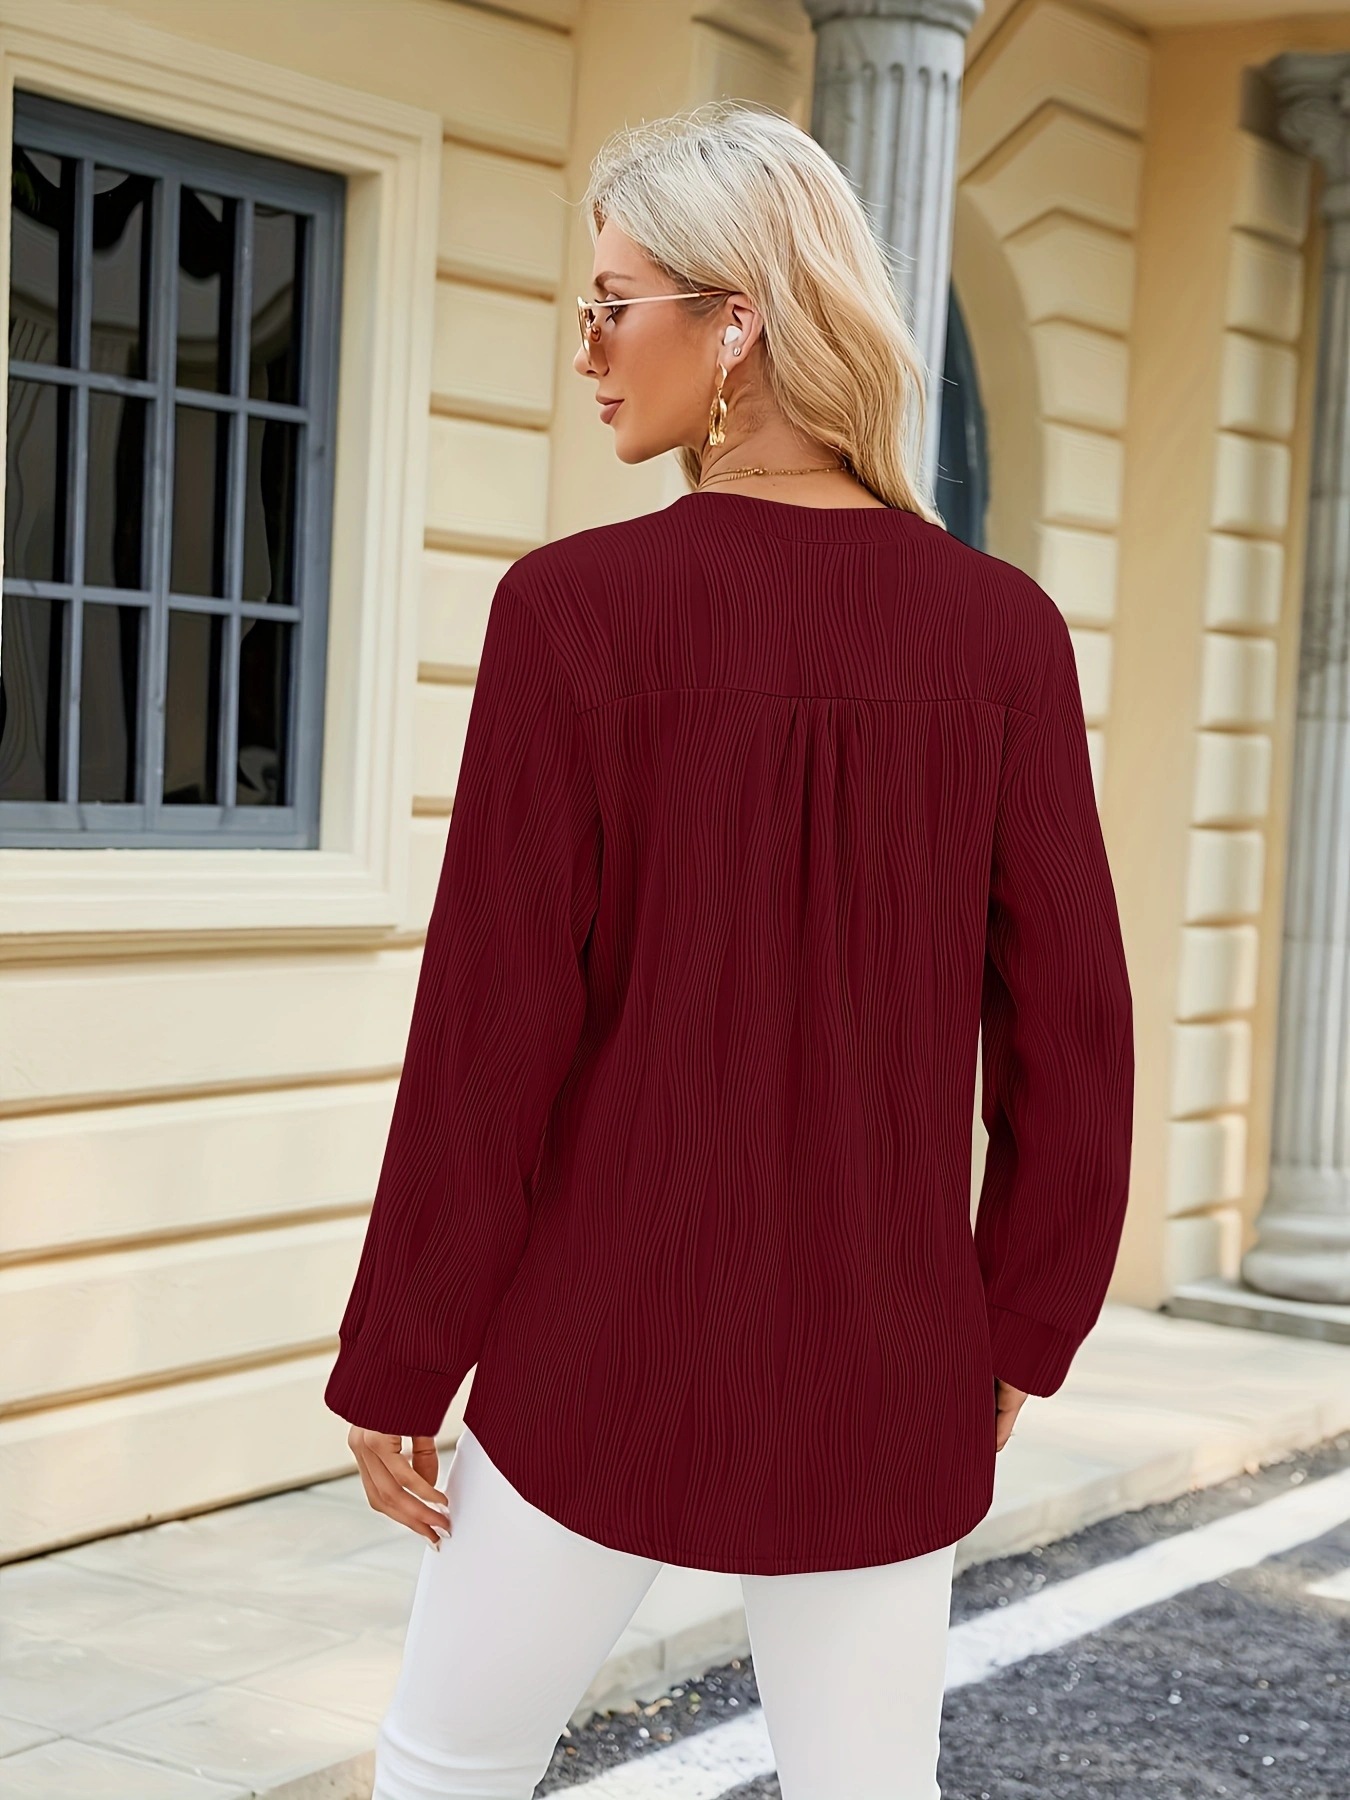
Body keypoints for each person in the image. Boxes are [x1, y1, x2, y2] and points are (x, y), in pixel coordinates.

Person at [323, 99, 1135, 1800]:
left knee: (446, 1769)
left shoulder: (570, 616)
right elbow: (1073, 1030)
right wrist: (1013, 1324)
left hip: (598, 1339)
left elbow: (490, 1037)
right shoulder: (1002, 635)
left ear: (735, 322)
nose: (585, 349)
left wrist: (402, 1349)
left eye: (613, 305)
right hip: (884, 1353)